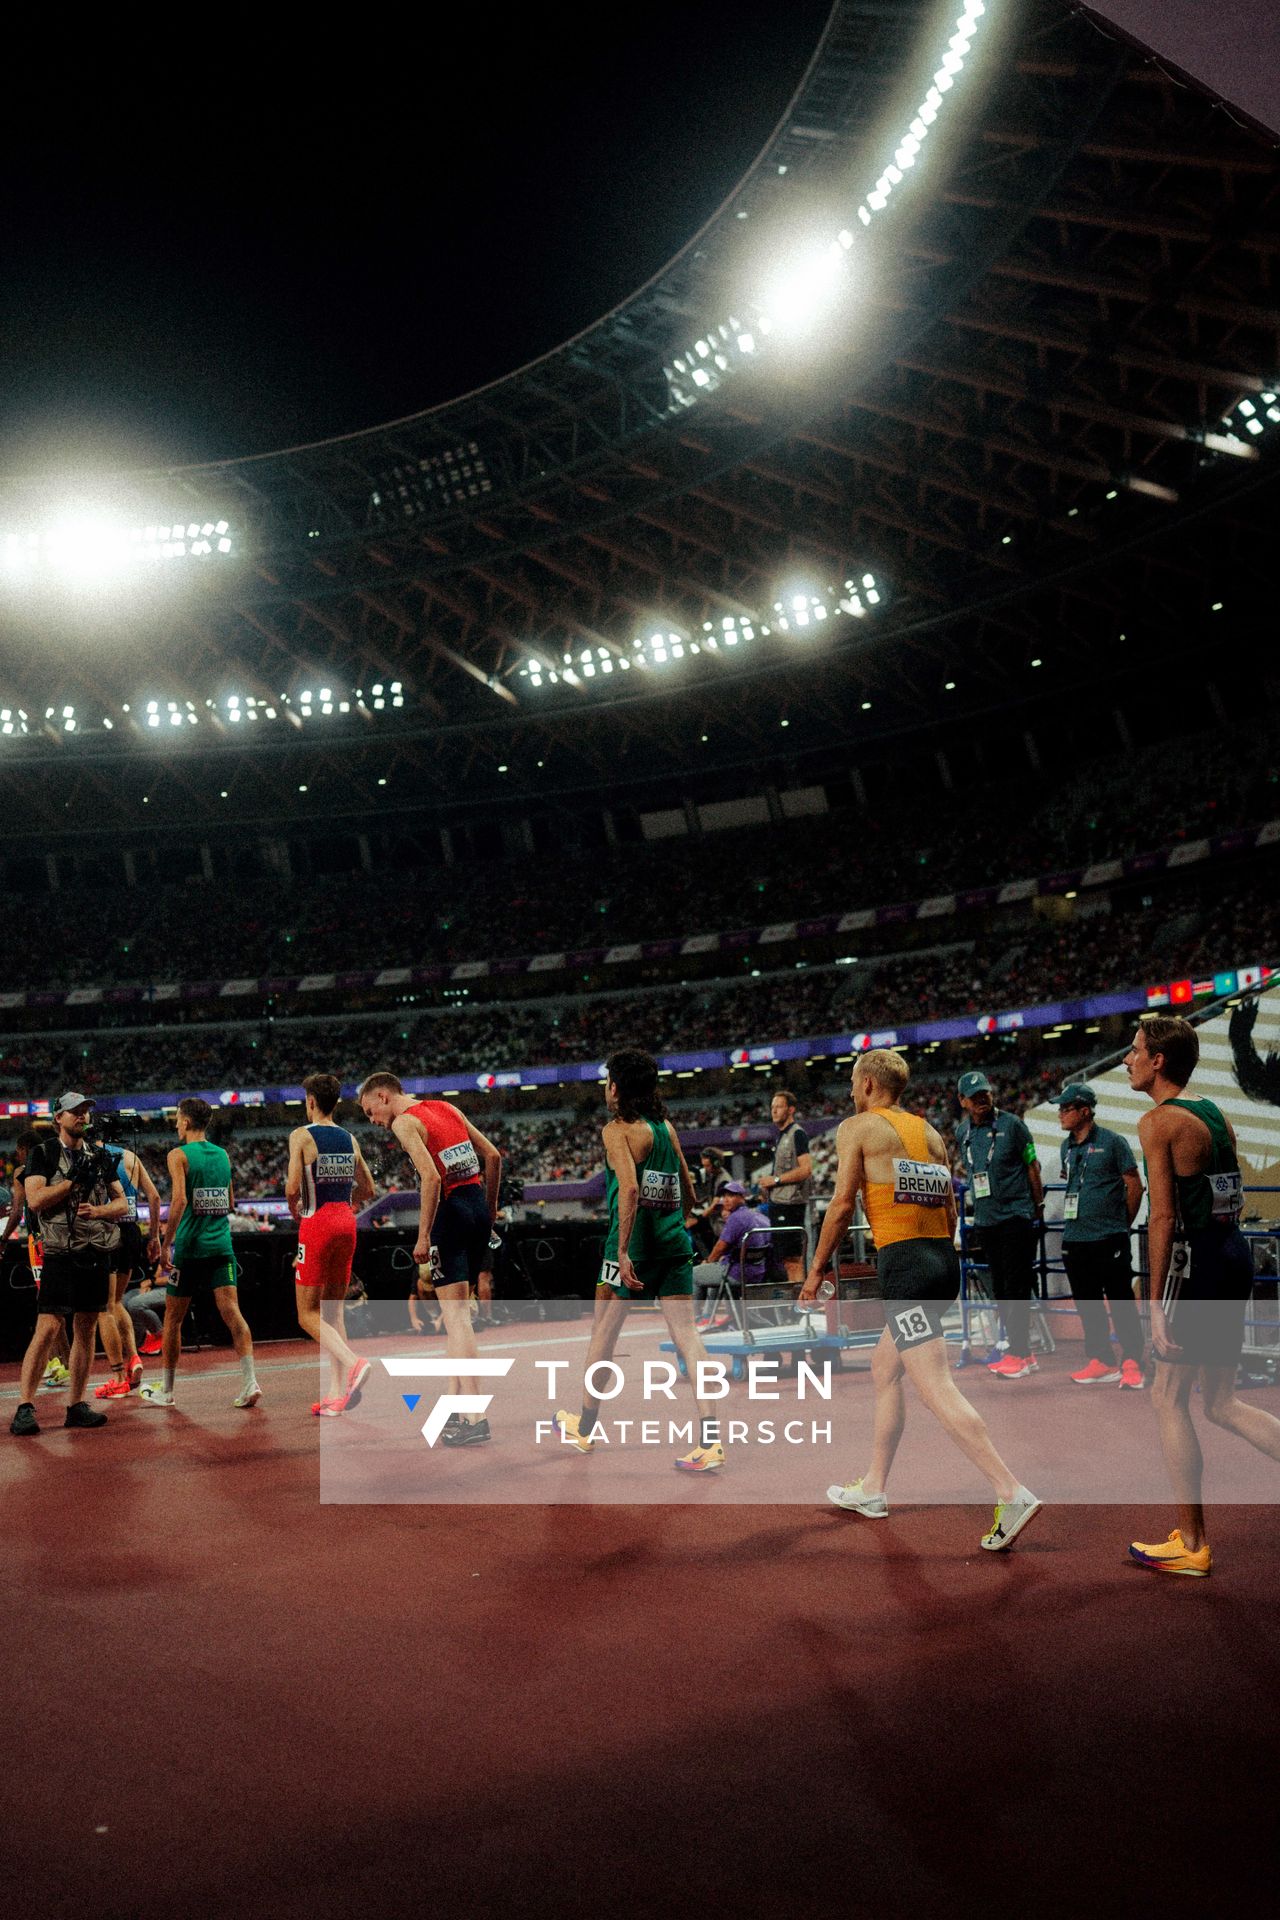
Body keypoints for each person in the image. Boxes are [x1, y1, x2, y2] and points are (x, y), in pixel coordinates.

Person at [800, 1050, 1041, 1552]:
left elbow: (844, 1204)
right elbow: (951, 1205)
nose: (849, 1090)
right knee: (884, 1367)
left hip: (907, 1268)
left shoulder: (858, 1127)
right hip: (939, 1261)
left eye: (851, 1081)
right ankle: (873, 1489)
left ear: (867, 1084)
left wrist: (816, 1269)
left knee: (935, 1386)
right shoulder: (930, 1134)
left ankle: (1009, 1490)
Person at [1125, 1014, 1280, 1576]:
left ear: (1158, 1061)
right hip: (1232, 1254)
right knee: (1220, 1402)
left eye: (1136, 1050)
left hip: (1194, 1266)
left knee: (1168, 1397)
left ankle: (1191, 1545)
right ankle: (1190, 1538)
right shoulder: (1216, 1114)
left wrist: (1152, 1311)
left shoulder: (1158, 1122)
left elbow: (1161, 1216)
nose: (1128, 1059)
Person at [554, 1047, 726, 1473]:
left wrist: (624, 1250)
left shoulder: (616, 1131)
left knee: (602, 1337)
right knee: (689, 1338)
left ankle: (585, 1427)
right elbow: (687, 1181)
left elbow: (628, 1190)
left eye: (608, 1082)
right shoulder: (665, 1127)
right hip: (674, 1243)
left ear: (616, 1087)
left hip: (630, 1249)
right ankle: (711, 1441)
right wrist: (683, 1211)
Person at [358, 1072, 502, 1446]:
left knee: (456, 1321)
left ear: (383, 1095)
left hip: (450, 1216)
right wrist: (490, 1211)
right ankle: (459, 1408)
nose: (371, 1119)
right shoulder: (445, 1107)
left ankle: (476, 1417)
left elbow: (432, 1179)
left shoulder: (405, 1122)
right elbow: (493, 1155)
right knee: (460, 1317)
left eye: (368, 1110)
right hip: (474, 1207)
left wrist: (423, 1236)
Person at [9, 1094, 129, 1437]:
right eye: (76, 1111)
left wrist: (100, 1211)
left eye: (86, 1111)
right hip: (60, 1252)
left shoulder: (96, 1155)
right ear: (58, 1117)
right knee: (47, 1327)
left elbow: (121, 1203)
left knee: (87, 1328)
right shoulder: (43, 1153)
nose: (83, 1116)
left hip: (95, 1249)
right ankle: (24, 1407)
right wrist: (70, 1183)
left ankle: (76, 1405)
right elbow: (34, 1200)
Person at [139, 1099, 261, 1410]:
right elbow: (230, 1200)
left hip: (191, 1249)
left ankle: (166, 1391)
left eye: (178, 1118)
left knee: (173, 1319)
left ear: (188, 1121)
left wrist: (166, 1244)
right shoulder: (222, 1154)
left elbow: (178, 1201)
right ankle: (250, 1383)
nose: (176, 1124)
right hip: (222, 1246)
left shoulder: (178, 1155)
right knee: (232, 1312)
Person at [285, 1072, 376, 1417]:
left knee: (307, 1314)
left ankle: (354, 1364)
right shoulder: (349, 1138)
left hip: (317, 1224)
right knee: (333, 1313)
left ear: (310, 1101)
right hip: (345, 1223)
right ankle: (338, 1395)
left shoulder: (301, 1136)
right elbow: (368, 1189)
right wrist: (345, 1203)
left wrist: (297, 1212)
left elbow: (293, 1188)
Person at [955, 1069, 1044, 1379]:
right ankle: (1024, 1352)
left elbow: (1033, 1166)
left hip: (1016, 1217)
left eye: (986, 1094)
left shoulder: (1014, 1126)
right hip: (987, 1220)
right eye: (975, 1096)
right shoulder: (962, 1134)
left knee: (1015, 1287)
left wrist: (1038, 1208)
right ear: (962, 1100)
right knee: (1001, 1289)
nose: (982, 1099)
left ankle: (1018, 1352)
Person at [1055, 1084, 1146, 1389]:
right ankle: (1102, 1359)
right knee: (1088, 1304)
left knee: (1120, 1301)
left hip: (1109, 1238)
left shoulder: (1113, 1142)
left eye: (1065, 1109)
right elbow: (1073, 1186)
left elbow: (1135, 1185)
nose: (1060, 1115)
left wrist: (1122, 1224)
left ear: (1084, 1111)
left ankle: (1133, 1360)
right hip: (1075, 1239)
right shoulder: (1066, 1147)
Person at [92, 1137, 164, 1401]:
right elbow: (154, 1197)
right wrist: (154, 1237)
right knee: (117, 1301)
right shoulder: (130, 1156)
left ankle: (120, 1376)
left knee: (104, 1307)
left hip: (107, 1231)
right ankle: (134, 1359)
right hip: (132, 1231)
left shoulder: (90, 1154)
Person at [2, 1124, 71, 1391]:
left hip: (39, 1242)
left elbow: (18, 1211)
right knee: (57, 1305)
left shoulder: (24, 1171)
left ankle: (60, 1363)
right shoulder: (56, 1166)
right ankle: (64, 1362)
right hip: (61, 1237)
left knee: (47, 1304)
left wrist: (2, 1240)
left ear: (22, 1150)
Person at [692, 1181, 769, 1325]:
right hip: (757, 1270)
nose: (726, 1199)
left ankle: (694, 1319)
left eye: (731, 1195)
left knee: (694, 1274)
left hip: (738, 1272)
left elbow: (720, 1247)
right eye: (724, 1196)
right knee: (715, 1272)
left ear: (742, 1197)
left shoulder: (736, 1218)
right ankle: (716, 1317)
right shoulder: (755, 1215)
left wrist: (708, 1261)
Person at [759, 1090, 812, 1283]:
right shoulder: (782, 1136)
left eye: (778, 1107)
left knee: (793, 1260)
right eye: (772, 1107)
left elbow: (806, 1169)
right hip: (780, 1202)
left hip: (790, 1204)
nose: (774, 1111)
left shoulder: (797, 1134)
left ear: (790, 1109)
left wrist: (776, 1180)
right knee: (787, 1260)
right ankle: (797, 1305)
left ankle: (799, 1308)